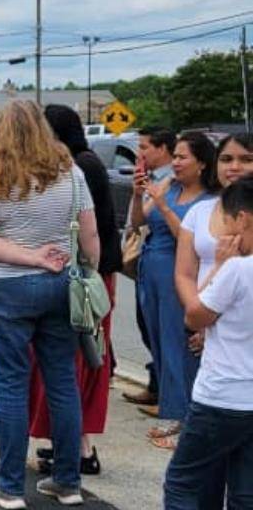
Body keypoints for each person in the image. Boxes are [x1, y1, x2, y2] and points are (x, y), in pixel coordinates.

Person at [0, 99, 100, 508]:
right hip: (60, 284)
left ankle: (9, 486)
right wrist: (87, 275)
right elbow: (91, 233)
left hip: (7, 285)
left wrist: (29, 256)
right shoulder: (70, 170)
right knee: (62, 381)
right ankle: (67, 480)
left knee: (10, 385)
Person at [30, 105, 122, 477]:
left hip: (86, 276)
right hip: (85, 272)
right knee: (69, 359)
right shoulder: (82, 162)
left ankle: (80, 446)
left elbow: (82, 229)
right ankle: (66, 442)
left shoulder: (80, 166)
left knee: (78, 359)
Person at [164, 176, 253, 509]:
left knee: (183, 482)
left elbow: (195, 316)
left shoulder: (238, 270)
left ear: (242, 218)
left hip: (222, 394)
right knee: (246, 493)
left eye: (227, 222)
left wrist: (220, 266)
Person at [132, 131, 219, 447]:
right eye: (177, 156)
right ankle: (171, 410)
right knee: (157, 342)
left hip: (178, 272)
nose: (177, 163)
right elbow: (137, 222)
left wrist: (163, 207)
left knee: (177, 344)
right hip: (150, 267)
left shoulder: (210, 201)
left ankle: (183, 415)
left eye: (183, 157)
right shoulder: (168, 186)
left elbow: (191, 240)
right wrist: (137, 196)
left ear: (201, 163)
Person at [123, 126, 177, 409]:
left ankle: (170, 396)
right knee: (148, 327)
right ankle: (157, 384)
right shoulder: (148, 179)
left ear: (163, 148)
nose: (139, 154)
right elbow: (136, 222)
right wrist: (136, 193)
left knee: (166, 330)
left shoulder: (173, 181)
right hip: (146, 260)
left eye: (144, 147)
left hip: (165, 261)